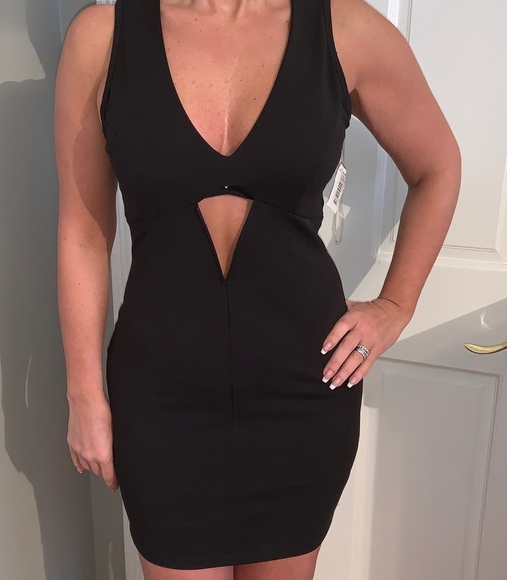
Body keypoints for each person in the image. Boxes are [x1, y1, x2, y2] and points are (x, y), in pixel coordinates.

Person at [54, 0, 461, 578]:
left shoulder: (347, 30)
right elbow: (83, 232)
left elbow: (438, 166)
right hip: (161, 397)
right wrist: (84, 395)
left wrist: (395, 305)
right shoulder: (102, 37)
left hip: (301, 391)